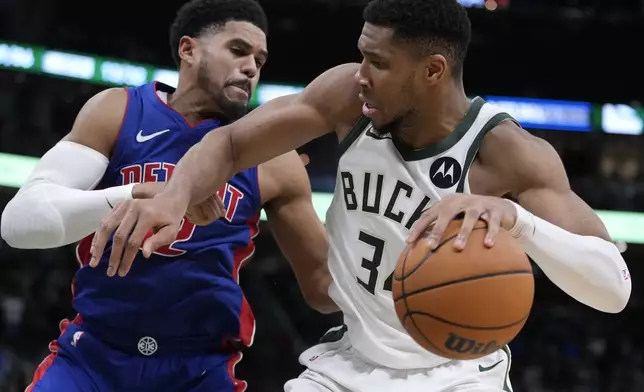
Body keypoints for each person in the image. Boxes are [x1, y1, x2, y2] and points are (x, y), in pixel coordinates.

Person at [91, 0, 632, 390]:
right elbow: (231, 144)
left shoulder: (506, 153)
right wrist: (175, 194)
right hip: (350, 363)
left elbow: (613, 289)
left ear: (432, 71)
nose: (363, 74)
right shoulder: (349, 98)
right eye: (362, 55)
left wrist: (515, 219)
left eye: (379, 62)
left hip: (457, 376)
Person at [0, 0, 336, 391]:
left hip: (198, 369)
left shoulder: (274, 158)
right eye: (238, 51)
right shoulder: (118, 111)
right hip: (94, 357)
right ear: (188, 49)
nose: (250, 68)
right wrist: (135, 193)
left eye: (259, 61)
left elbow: (324, 286)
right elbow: (18, 224)